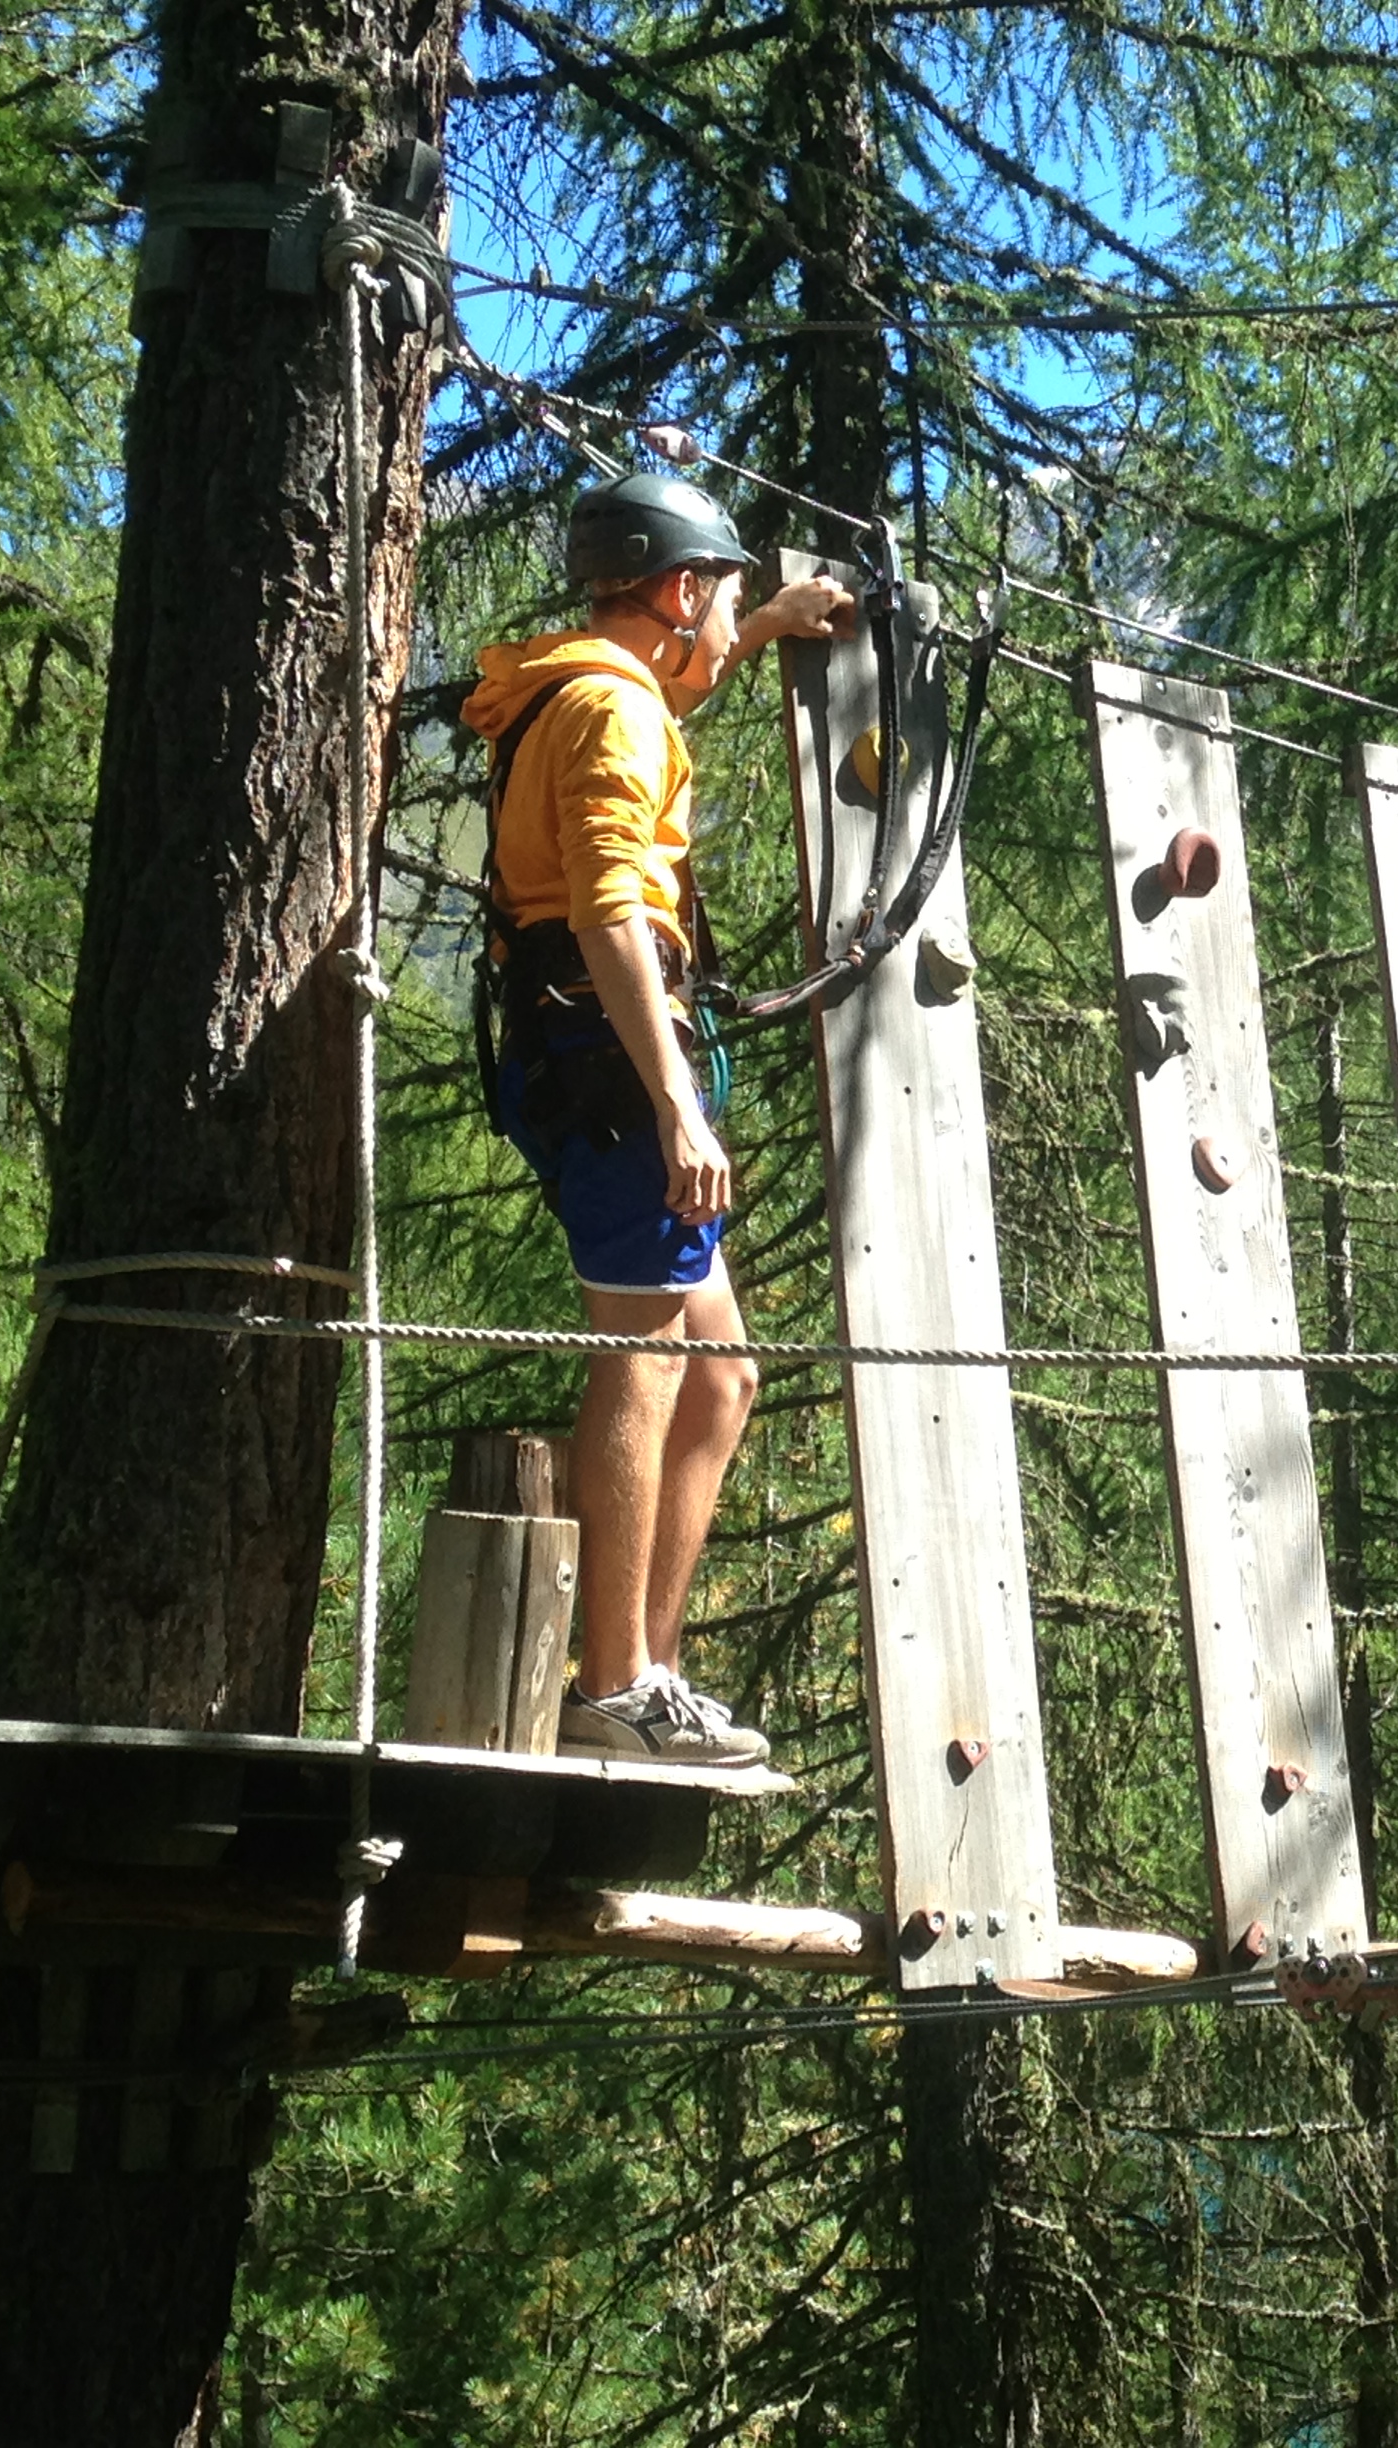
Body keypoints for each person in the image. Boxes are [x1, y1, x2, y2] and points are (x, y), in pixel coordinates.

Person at [463, 471, 854, 1765]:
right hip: (615, 1066)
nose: (721, 618)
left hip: (590, 1055)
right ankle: (614, 1685)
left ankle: (647, 1667)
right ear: (677, 590)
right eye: (721, 595)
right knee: (647, 1357)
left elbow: (666, 686)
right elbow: (614, 913)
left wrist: (767, 621)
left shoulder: (586, 686)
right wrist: (682, 1107)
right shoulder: (612, 718)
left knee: (722, 1374)